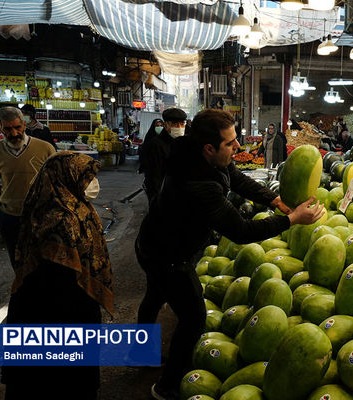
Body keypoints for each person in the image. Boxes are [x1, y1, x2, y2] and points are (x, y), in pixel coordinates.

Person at [135, 108, 324, 400]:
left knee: (154, 297)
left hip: (157, 242)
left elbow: (235, 178)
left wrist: (273, 199)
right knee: (193, 318)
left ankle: (140, 354)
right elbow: (241, 231)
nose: (238, 146)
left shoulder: (199, 154)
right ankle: (166, 386)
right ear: (209, 148)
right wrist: (291, 220)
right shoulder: (197, 184)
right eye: (230, 143)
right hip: (168, 256)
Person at [2, 152, 113, 399]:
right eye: (86, 177)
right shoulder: (60, 218)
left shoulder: (69, 204)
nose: (92, 183)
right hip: (56, 309)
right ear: (67, 178)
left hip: (56, 305)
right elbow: (59, 279)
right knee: (58, 381)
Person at [0, 106, 55, 267]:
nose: (14, 133)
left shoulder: (45, 148)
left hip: (41, 216)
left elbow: (56, 182)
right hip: (9, 216)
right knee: (18, 262)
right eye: (7, 129)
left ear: (24, 125)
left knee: (44, 261)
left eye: (17, 127)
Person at [141, 108, 186, 203]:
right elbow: (154, 176)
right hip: (163, 195)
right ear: (166, 125)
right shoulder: (156, 145)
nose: (179, 127)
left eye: (182, 124)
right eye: (175, 124)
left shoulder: (185, 143)